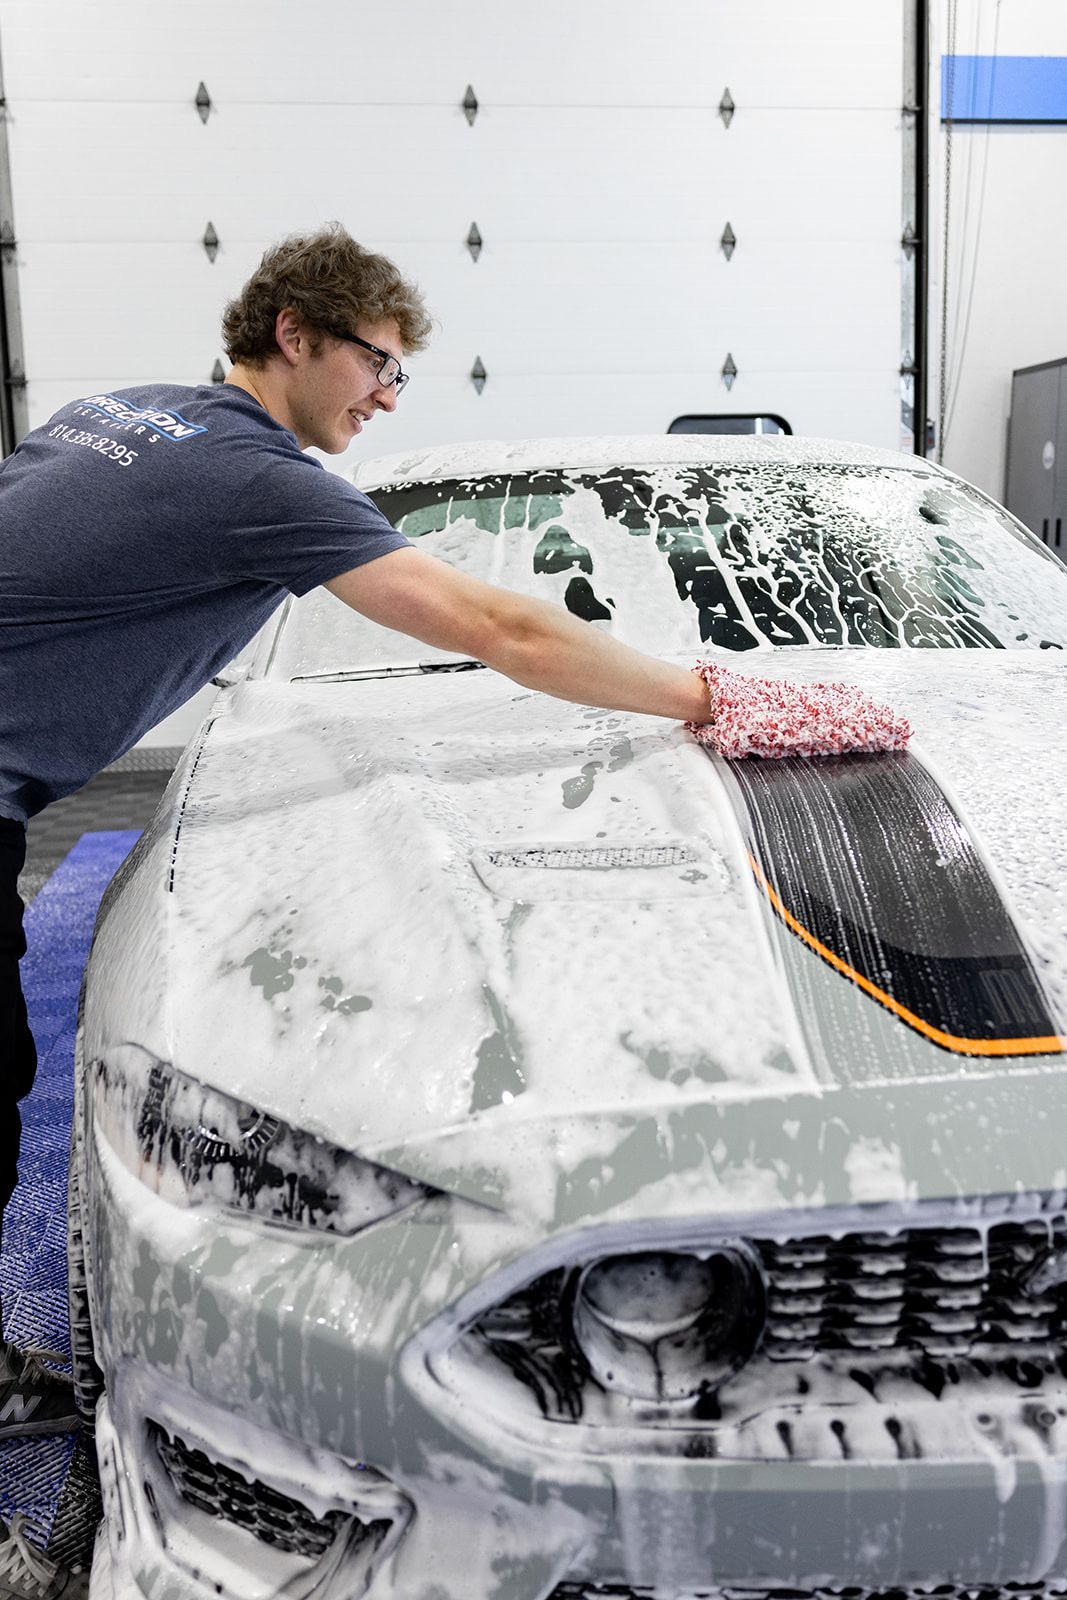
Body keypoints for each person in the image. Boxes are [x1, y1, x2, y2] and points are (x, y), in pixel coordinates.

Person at [0, 226, 711, 1444]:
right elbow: (500, 627)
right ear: (295, 337)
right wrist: (712, 697)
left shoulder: (119, 410)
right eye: (377, 364)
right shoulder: (259, 486)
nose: (386, 394)